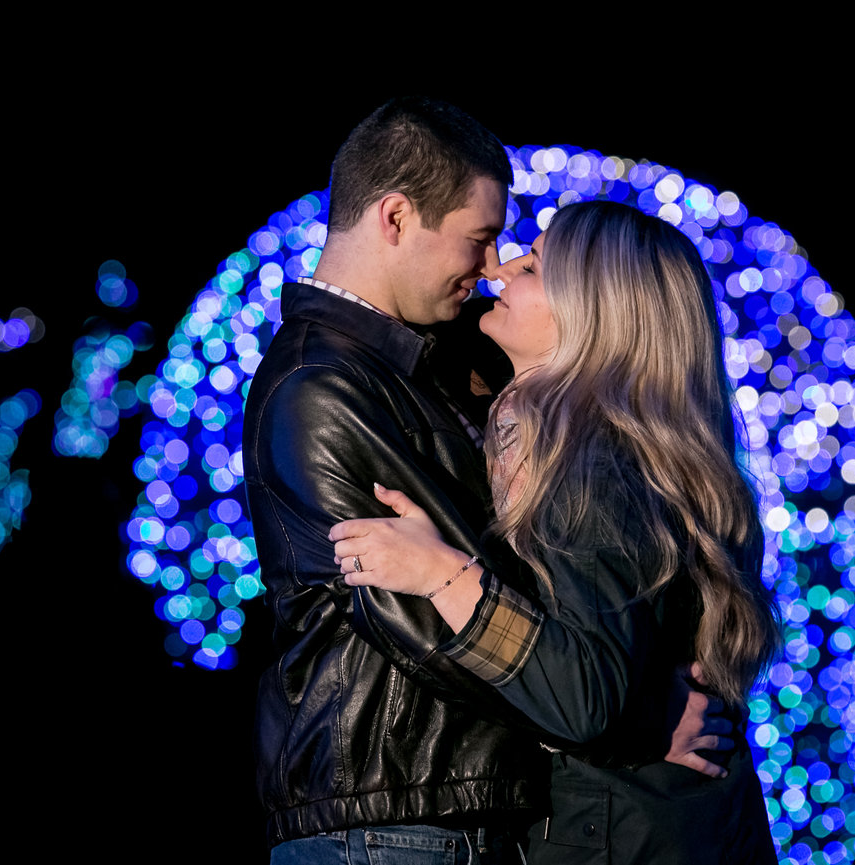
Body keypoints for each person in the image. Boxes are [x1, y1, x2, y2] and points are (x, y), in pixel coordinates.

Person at [242, 98, 732, 865]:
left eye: (522, 259)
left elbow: (544, 602)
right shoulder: (324, 388)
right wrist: (633, 715)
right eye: (481, 239)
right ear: (396, 218)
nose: (493, 266)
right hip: (395, 820)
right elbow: (428, 623)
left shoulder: (451, 371)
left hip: (453, 817)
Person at [330, 200, 782, 863]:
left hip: (618, 834)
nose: (504, 270)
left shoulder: (586, 466)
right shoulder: (623, 450)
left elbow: (583, 696)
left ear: (593, 309)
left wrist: (442, 574)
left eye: (536, 264)